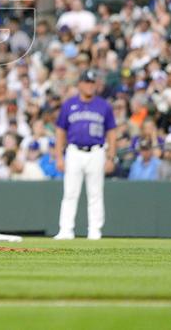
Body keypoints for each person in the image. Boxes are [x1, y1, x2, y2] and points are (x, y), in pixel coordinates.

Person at [53, 69, 117, 240]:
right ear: (80, 84)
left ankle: (95, 231)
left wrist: (111, 156)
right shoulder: (69, 105)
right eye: (87, 82)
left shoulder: (104, 106)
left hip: (96, 151)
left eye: (92, 82)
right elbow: (60, 131)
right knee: (70, 193)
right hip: (74, 151)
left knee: (95, 193)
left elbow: (111, 132)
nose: (90, 85)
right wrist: (59, 156)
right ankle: (66, 230)